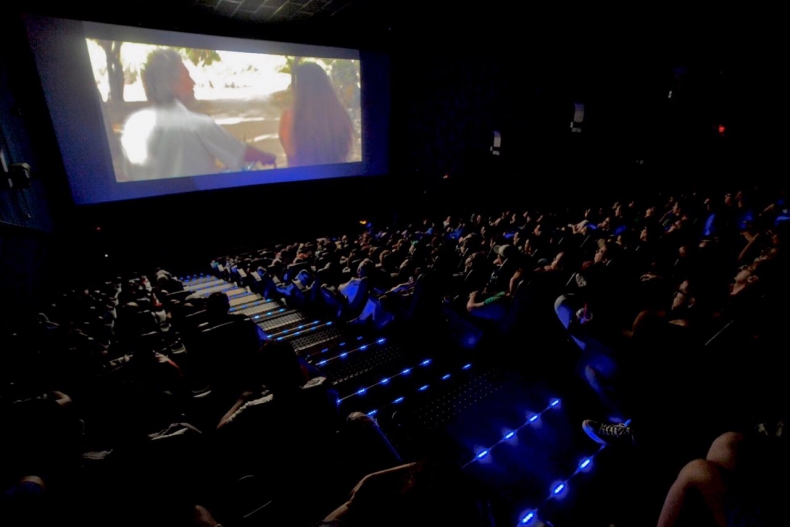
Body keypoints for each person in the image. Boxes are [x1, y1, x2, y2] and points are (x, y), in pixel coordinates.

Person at [120, 49, 276, 181]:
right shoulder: (197, 125)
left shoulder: (133, 125)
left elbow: (128, 174)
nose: (193, 83)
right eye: (187, 77)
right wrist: (267, 157)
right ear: (173, 84)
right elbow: (241, 153)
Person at [278, 62, 355, 167]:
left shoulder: (290, 117)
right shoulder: (340, 114)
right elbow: (344, 151)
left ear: (299, 87)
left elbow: (291, 155)